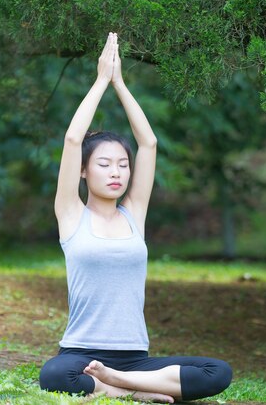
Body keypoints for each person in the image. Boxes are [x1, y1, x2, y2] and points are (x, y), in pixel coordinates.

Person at [39, 32, 232, 403]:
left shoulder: (134, 215)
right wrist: (100, 82)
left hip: (134, 358)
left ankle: (115, 385)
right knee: (54, 374)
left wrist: (121, 83)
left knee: (217, 372)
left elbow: (149, 143)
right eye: (105, 164)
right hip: (80, 354)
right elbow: (72, 140)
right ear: (83, 172)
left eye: (122, 165)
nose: (116, 172)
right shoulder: (70, 214)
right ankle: (133, 393)